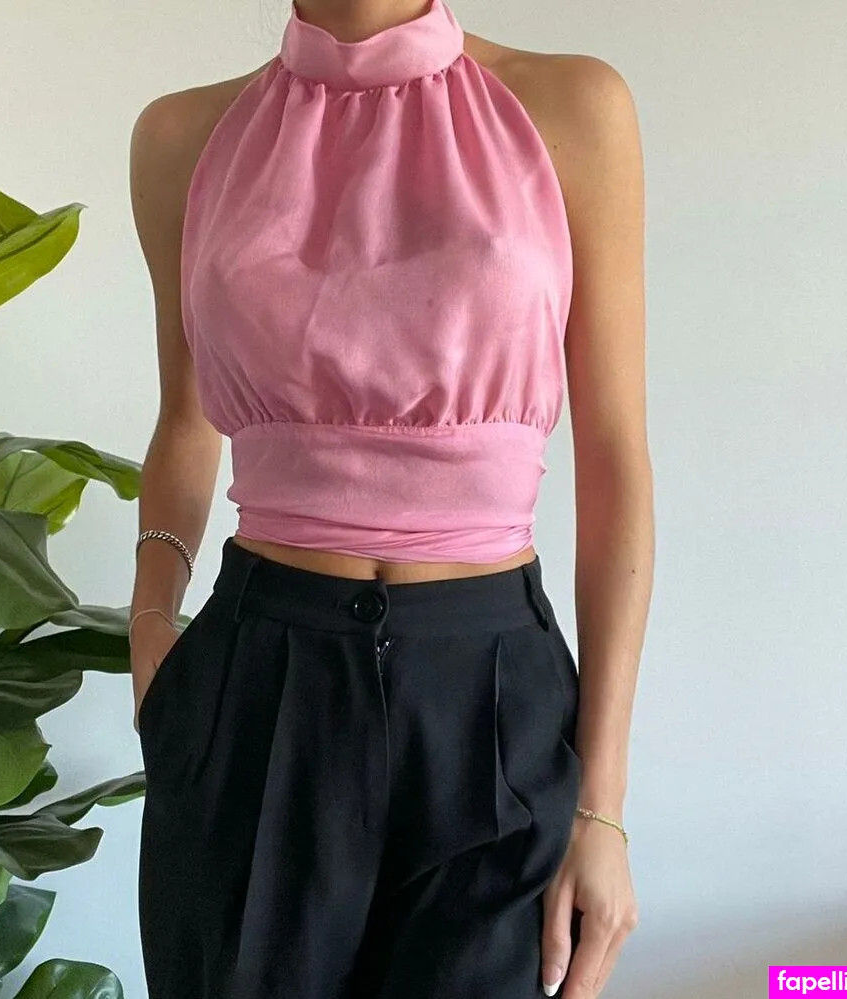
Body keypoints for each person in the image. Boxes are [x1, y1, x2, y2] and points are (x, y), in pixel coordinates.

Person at [125, 0, 651, 996]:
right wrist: (152, 616)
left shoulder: (573, 107)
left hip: (490, 694)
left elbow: (616, 454)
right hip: (257, 679)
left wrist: (604, 808)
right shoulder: (181, 136)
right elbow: (185, 418)